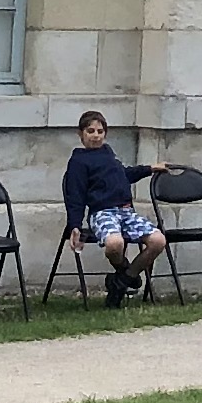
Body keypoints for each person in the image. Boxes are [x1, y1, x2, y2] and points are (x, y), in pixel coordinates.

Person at [60, 110, 168, 307]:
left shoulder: (108, 153)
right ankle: (124, 269)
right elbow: (75, 195)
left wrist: (149, 169)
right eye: (90, 131)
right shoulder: (78, 161)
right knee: (114, 244)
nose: (96, 135)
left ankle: (122, 281)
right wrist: (74, 225)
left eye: (100, 131)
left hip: (126, 212)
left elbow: (123, 175)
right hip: (102, 213)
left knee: (158, 241)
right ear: (81, 134)